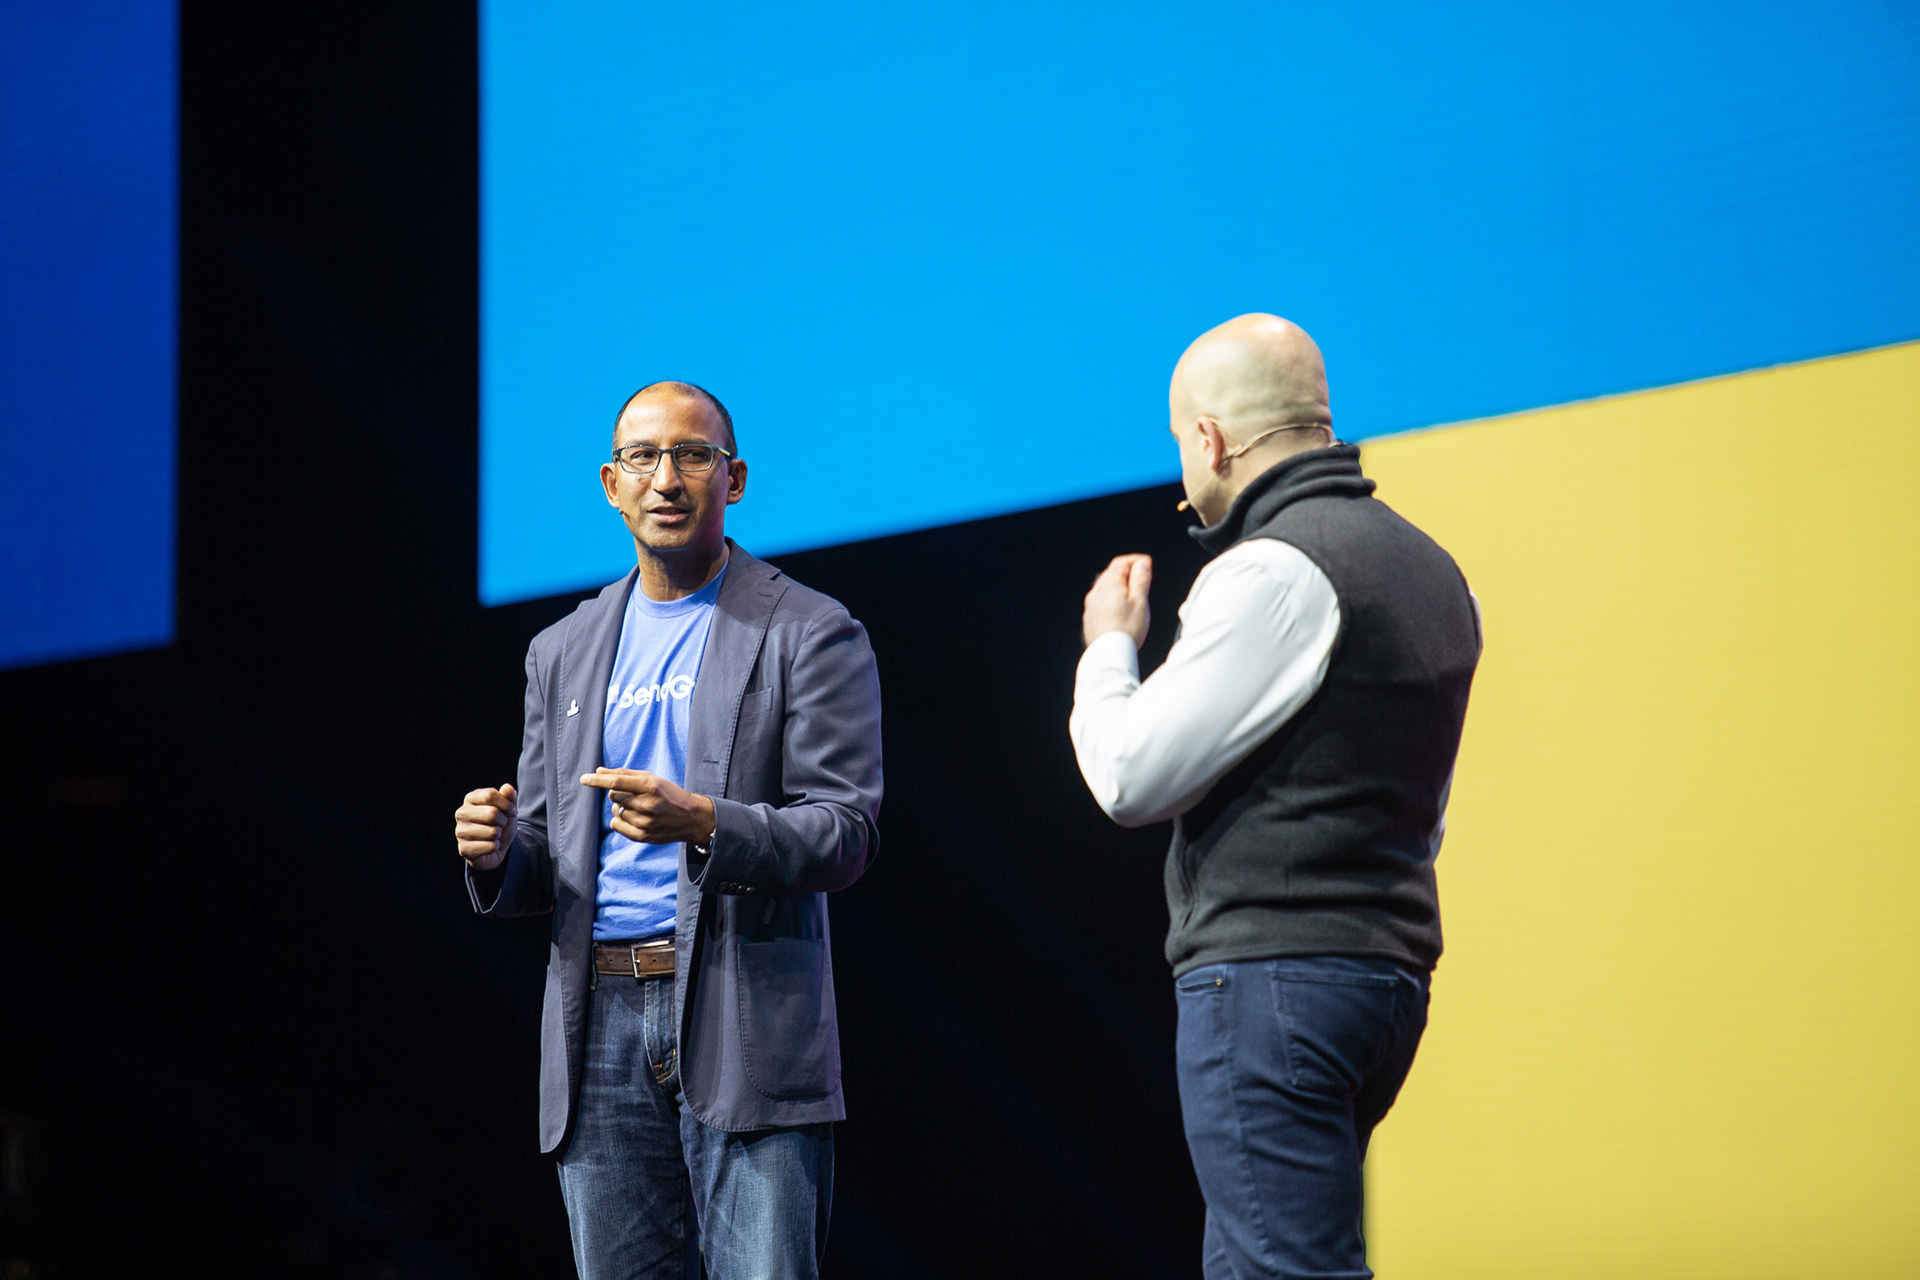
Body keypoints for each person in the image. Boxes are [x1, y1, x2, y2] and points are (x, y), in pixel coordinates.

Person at [1069, 315, 1481, 1279]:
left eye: (1181, 445)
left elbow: (1129, 776)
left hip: (1272, 981)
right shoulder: (1434, 568)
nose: (1183, 472)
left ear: (1209, 438)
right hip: (1384, 980)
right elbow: (1430, 807)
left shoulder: (1271, 568)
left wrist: (1108, 645)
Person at [452, 381, 882, 1280]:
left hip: (742, 1002)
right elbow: (545, 852)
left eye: (693, 455)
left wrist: (705, 823)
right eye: (644, 458)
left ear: (736, 479)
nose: (668, 479)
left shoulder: (811, 629)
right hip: (596, 1016)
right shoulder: (560, 650)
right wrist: (499, 853)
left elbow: (844, 832)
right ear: (612, 483)